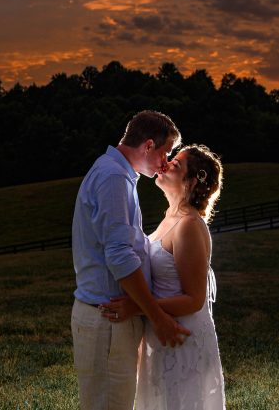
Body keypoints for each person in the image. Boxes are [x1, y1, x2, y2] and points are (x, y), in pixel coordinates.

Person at [71, 110, 191, 410]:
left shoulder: (117, 173)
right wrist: (157, 316)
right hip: (107, 321)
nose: (166, 162)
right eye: (165, 152)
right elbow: (119, 255)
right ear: (148, 145)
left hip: (111, 318)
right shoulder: (113, 177)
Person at [100, 143, 226, 410]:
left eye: (176, 165)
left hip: (181, 337)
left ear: (192, 182)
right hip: (162, 332)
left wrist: (137, 307)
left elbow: (193, 299)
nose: (166, 164)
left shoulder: (189, 225)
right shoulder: (170, 217)